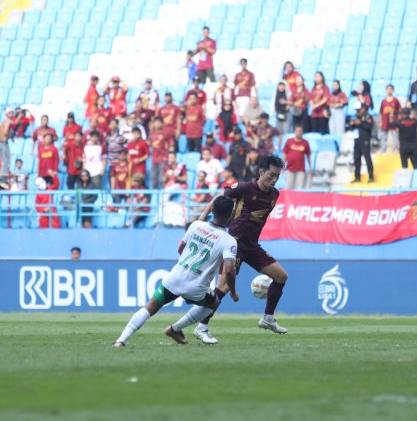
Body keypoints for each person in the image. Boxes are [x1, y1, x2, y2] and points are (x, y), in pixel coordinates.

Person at [112, 195, 238, 347]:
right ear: (231, 214)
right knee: (214, 303)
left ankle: (121, 340)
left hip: (175, 278)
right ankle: (175, 328)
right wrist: (232, 291)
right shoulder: (229, 240)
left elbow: (180, 248)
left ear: (212, 209)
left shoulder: (195, 226)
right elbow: (230, 270)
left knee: (149, 308)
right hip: (197, 287)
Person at [194, 154, 288, 344]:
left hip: (252, 246)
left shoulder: (274, 195)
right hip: (233, 245)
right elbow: (218, 200)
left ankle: (267, 318)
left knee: (281, 277)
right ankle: (201, 327)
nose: (274, 179)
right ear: (261, 171)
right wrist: (200, 223)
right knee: (224, 287)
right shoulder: (244, 188)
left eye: (277, 176)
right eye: (271, 174)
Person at [349, 103, 375, 183]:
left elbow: (369, 127)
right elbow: (351, 128)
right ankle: (357, 177)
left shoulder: (367, 116)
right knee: (356, 159)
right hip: (356, 140)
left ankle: (371, 176)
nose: (357, 111)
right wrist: (352, 124)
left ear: (363, 108)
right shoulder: (355, 116)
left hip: (365, 140)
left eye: (359, 110)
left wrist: (360, 123)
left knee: (367, 158)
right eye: (356, 110)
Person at [282, 125, 311, 189]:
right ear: (294, 131)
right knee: (288, 188)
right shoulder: (289, 141)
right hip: (289, 169)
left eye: (300, 131)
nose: (298, 132)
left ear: (302, 132)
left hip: (300, 170)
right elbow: (285, 155)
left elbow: (308, 156)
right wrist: (283, 166)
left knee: (299, 188)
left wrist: (310, 168)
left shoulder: (305, 143)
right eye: (297, 131)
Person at [0, 110, 13, 189]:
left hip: (0, 143)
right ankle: (2, 178)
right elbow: (5, 132)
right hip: (4, 142)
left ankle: (2, 177)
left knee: (4, 160)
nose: (12, 114)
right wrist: (9, 136)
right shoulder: (8, 121)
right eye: (10, 113)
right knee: (6, 161)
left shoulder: (3, 122)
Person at [148, 119, 170, 190]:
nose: (156, 124)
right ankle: (155, 194)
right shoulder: (152, 134)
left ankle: (163, 193)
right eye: (155, 123)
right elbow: (150, 144)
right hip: (154, 159)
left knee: (161, 179)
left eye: (158, 123)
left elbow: (170, 145)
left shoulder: (165, 133)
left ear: (162, 124)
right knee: (153, 178)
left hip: (163, 158)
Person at [379, 84, 401, 153]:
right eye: (388, 89)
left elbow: (399, 111)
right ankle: (383, 149)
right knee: (384, 136)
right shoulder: (383, 101)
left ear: (393, 90)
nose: (389, 91)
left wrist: (398, 119)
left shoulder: (395, 100)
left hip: (393, 121)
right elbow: (381, 112)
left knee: (394, 135)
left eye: (390, 89)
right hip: (385, 121)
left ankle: (396, 149)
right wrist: (381, 122)